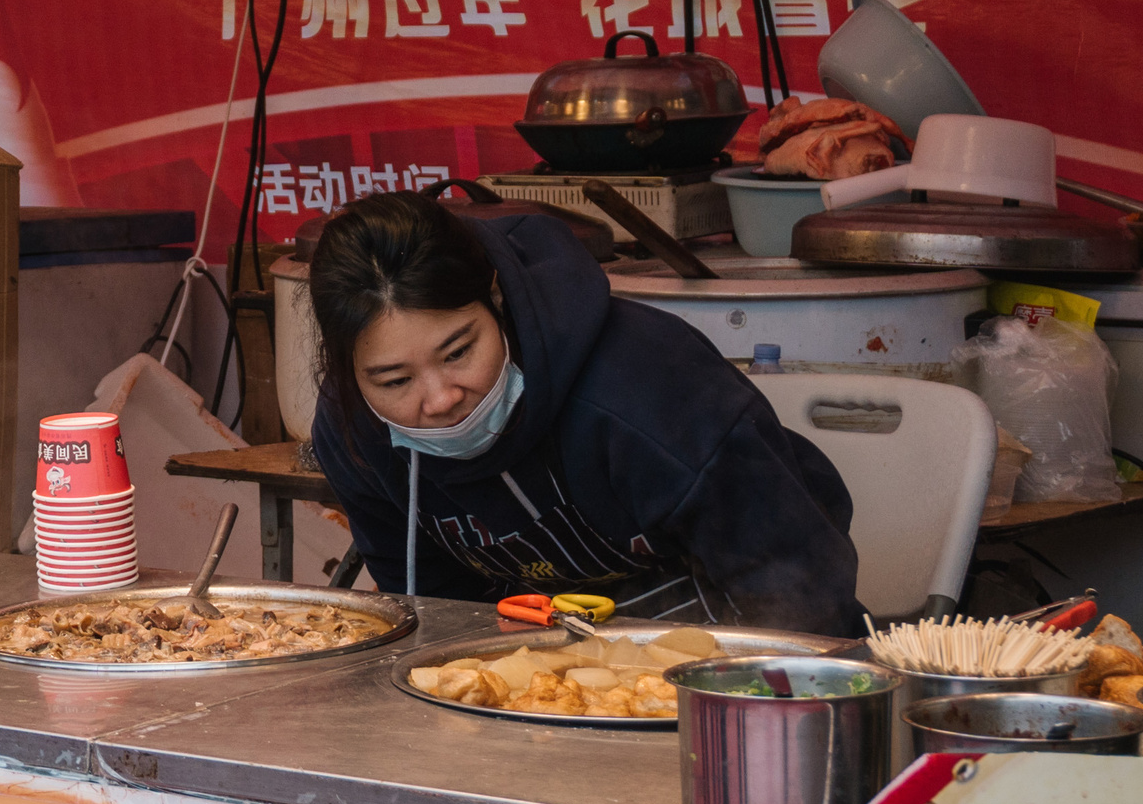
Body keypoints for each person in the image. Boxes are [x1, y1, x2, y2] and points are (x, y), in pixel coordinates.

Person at [305, 194, 860, 635]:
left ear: (495, 298)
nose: (441, 398)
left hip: (721, 646)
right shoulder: (354, 433)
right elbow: (433, 612)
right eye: (395, 381)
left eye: (458, 352)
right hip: (524, 660)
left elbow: (798, 594)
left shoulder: (647, 386)